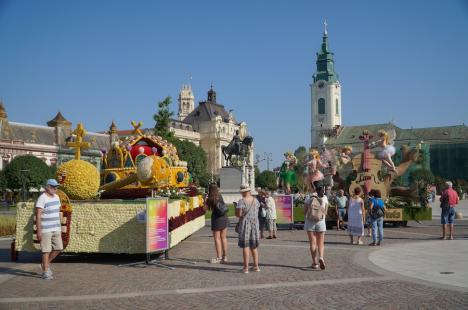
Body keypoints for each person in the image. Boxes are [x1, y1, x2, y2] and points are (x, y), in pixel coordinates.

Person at [36, 179, 63, 280]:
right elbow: (38, 215)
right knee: (46, 250)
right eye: (52, 187)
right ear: (47, 187)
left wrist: (59, 226)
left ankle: (45, 265)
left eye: (56, 187)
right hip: (45, 229)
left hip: (56, 228)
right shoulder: (42, 198)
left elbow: (57, 212)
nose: (55, 188)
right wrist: (39, 230)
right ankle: (46, 271)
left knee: (59, 248)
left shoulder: (57, 197)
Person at [236, 185, 261, 274]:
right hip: (255, 224)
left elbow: (239, 214)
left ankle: (246, 267)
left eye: (242, 192)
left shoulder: (241, 201)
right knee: (254, 246)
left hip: (245, 224)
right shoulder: (256, 200)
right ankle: (256, 266)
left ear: (244, 192)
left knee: (246, 246)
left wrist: (240, 213)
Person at [304, 181, 328, 270]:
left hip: (310, 221)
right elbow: (326, 211)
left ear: (313, 187)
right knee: (321, 243)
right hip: (321, 221)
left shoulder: (309, 197)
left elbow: (305, 211)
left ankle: (314, 263)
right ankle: (321, 257)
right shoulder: (324, 197)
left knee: (312, 243)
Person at [205, 184, 228, 264]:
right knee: (224, 238)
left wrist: (205, 200)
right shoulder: (220, 195)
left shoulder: (210, 198)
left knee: (217, 239)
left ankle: (219, 257)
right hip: (224, 217)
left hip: (216, 219)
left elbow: (205, 209)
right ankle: (225, 257)